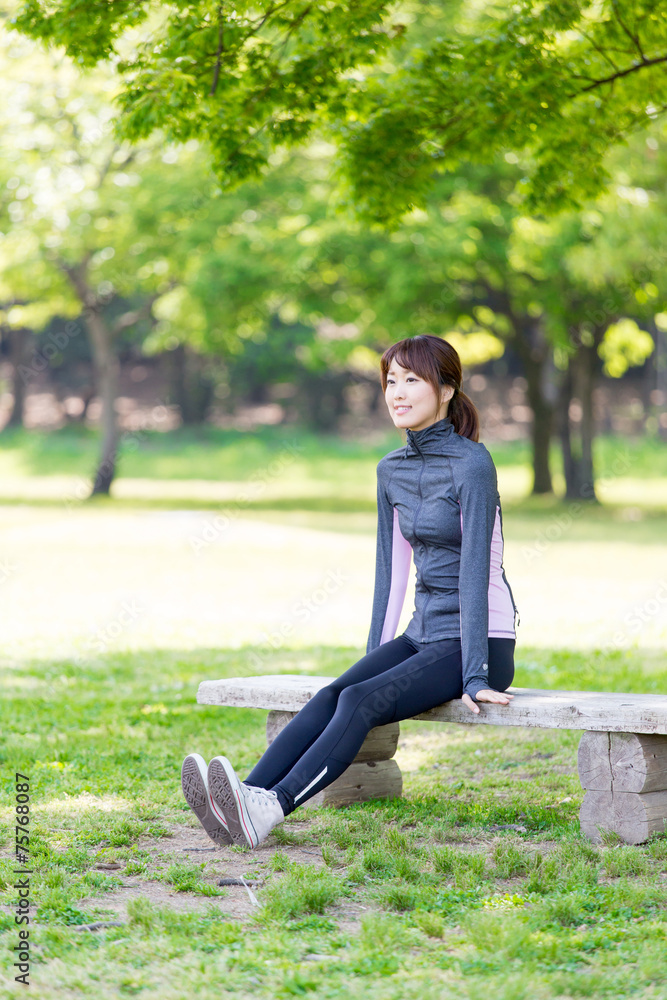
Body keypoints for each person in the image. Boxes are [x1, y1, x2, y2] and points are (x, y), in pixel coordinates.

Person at [181, 334, 520, 850]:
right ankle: (242, 799)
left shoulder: (473, 464)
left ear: (447, 389)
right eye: (390, 381)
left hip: (478, 645)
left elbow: (477, 572)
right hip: (423, 636)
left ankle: (271, 809)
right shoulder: (391, 469)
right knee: (335, 694)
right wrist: (379, 659)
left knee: (360, 700)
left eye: (412, 380)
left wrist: (475, 675)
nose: (397, 392)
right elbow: (392, 574)